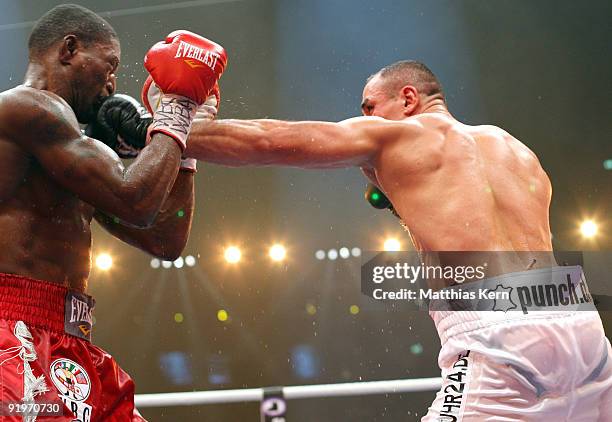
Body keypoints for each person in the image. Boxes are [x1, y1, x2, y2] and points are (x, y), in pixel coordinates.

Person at [102, 60, 611, 420]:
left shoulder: (397, 136)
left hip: (494, 336)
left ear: (407, 99)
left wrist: (173, 123)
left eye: (371, 106)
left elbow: (269, 141)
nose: (366, 118)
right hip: (578, 321)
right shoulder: (513, 148)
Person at [0, 4, 225, 421]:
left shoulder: (71, 149)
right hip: (13, 334)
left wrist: (183, 145)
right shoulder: (26, 108)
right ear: (70, 49)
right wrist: (175, 111)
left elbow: (164, 239)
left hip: (71, 339)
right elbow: (135, 202)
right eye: (109, 66)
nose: (112, 84)